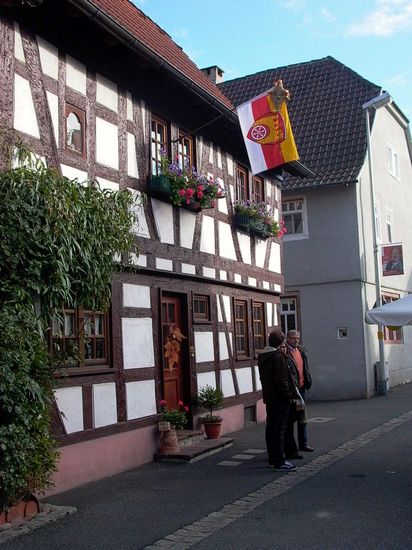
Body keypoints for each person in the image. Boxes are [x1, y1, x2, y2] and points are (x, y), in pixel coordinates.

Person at [258, 329, 297, 472]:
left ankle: (272, 458)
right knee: (279, 430)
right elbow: (281, 380)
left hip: (270, 397)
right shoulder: (277, 357)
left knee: (271, 428)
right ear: (281, 342)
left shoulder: (263, 356)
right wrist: (288, 395)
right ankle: (279, 461)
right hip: (280, 399)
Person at [285, 330, 314, 453]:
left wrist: (308, 380)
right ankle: (290, 447)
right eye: (293, 338)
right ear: (287, 338)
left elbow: (305, 368)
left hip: (301, 388)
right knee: (291, 419)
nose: (296, 340)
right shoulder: (285, 352)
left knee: (302, 418)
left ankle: (303, 443)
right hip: (293, 390)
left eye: (297, 338)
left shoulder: (301, 351)